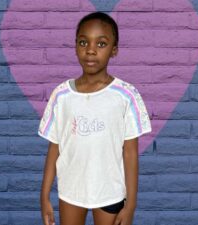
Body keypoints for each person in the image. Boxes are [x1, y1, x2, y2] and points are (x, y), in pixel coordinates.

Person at [38, 11, 152, 225]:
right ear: (75, 46)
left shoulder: (126, 95)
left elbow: (130, 153)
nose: (90, 50)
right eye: (83, 42)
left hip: (109, 191)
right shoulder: (62, 95)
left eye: (101, 44)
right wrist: (44, 196)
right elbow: (55, 147)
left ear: (114, 50)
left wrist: (131, 205)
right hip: (71, 190)